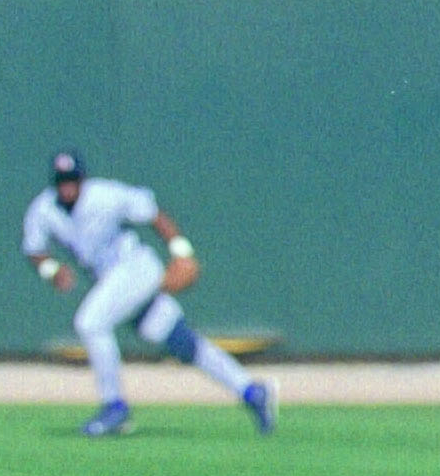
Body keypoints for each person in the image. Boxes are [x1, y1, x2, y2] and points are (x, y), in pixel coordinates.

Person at [22, 151, 276, 437]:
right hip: (112, 281)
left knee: (90, 323)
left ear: (82, 179)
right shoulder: (44, 208)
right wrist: (51, 270)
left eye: (71, 179)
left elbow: (153, 214)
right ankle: (253, 392)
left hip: (135, 269)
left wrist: (181, 252)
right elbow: (34, 250)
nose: (66, 186)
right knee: (181, 342)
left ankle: (114, 407)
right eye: (61, 181)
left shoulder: (105, 195)